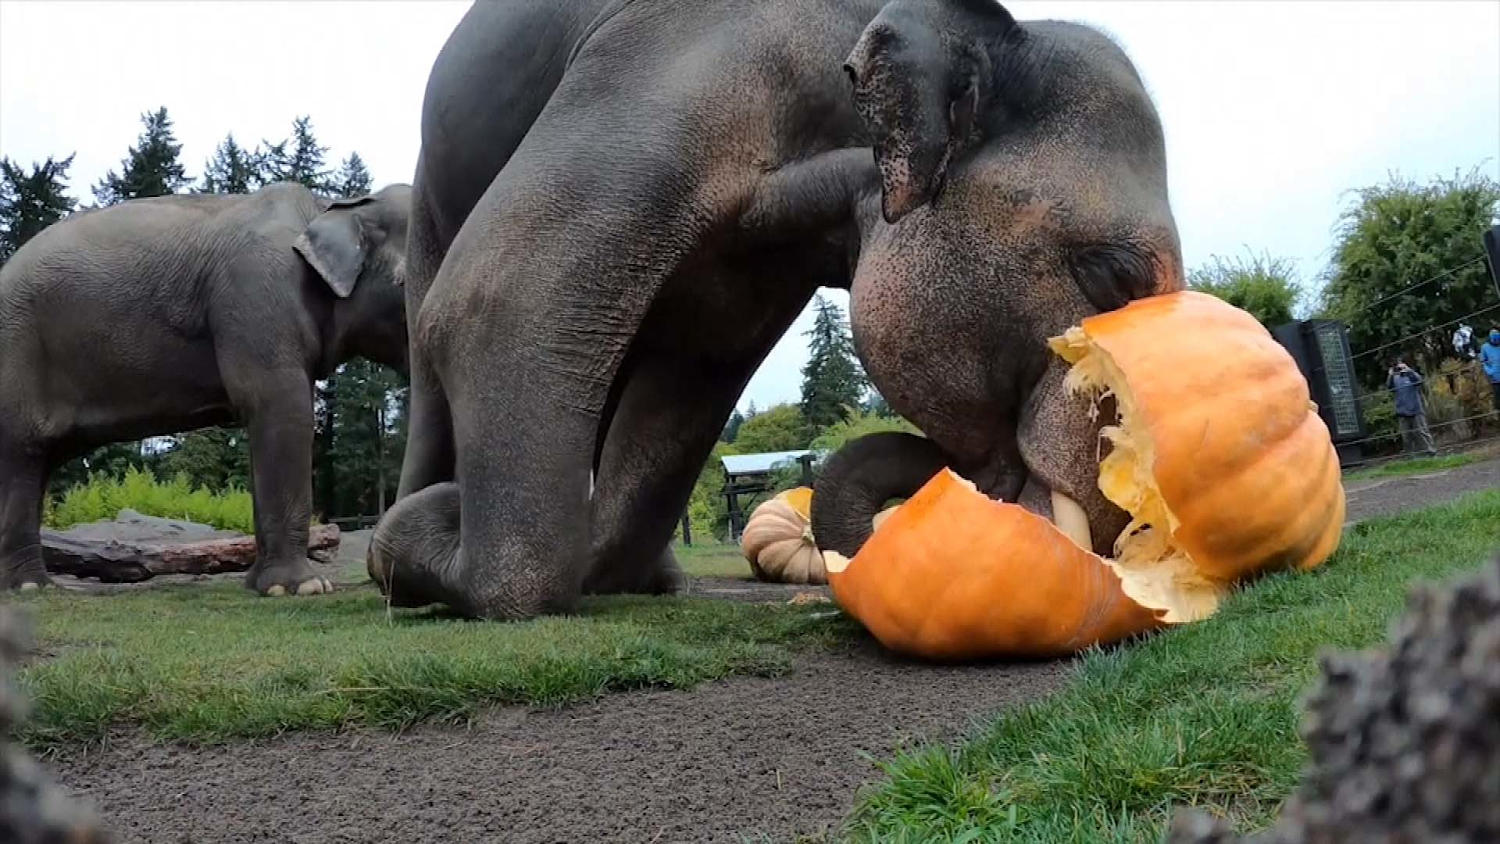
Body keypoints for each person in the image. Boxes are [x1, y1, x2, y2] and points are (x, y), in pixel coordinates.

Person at [1387, 358, 1437, 457]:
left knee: (1422, 432)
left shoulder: (1412, 376)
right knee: (1406, 436)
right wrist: (1390, 375)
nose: (1399, 368)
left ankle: (1430, 452)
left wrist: (1408, 370)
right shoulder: (1395, 379)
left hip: (1415, 410)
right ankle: (1411, 456)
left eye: (1400, 365)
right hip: (1402, 411)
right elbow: (1389, 387)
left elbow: (1419, 381)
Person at [1482, 328, 1500, 414]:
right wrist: (1489, 371)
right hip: (1495, 378)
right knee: (1498, 399)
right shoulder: (1485, 347)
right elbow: (1483, 361)